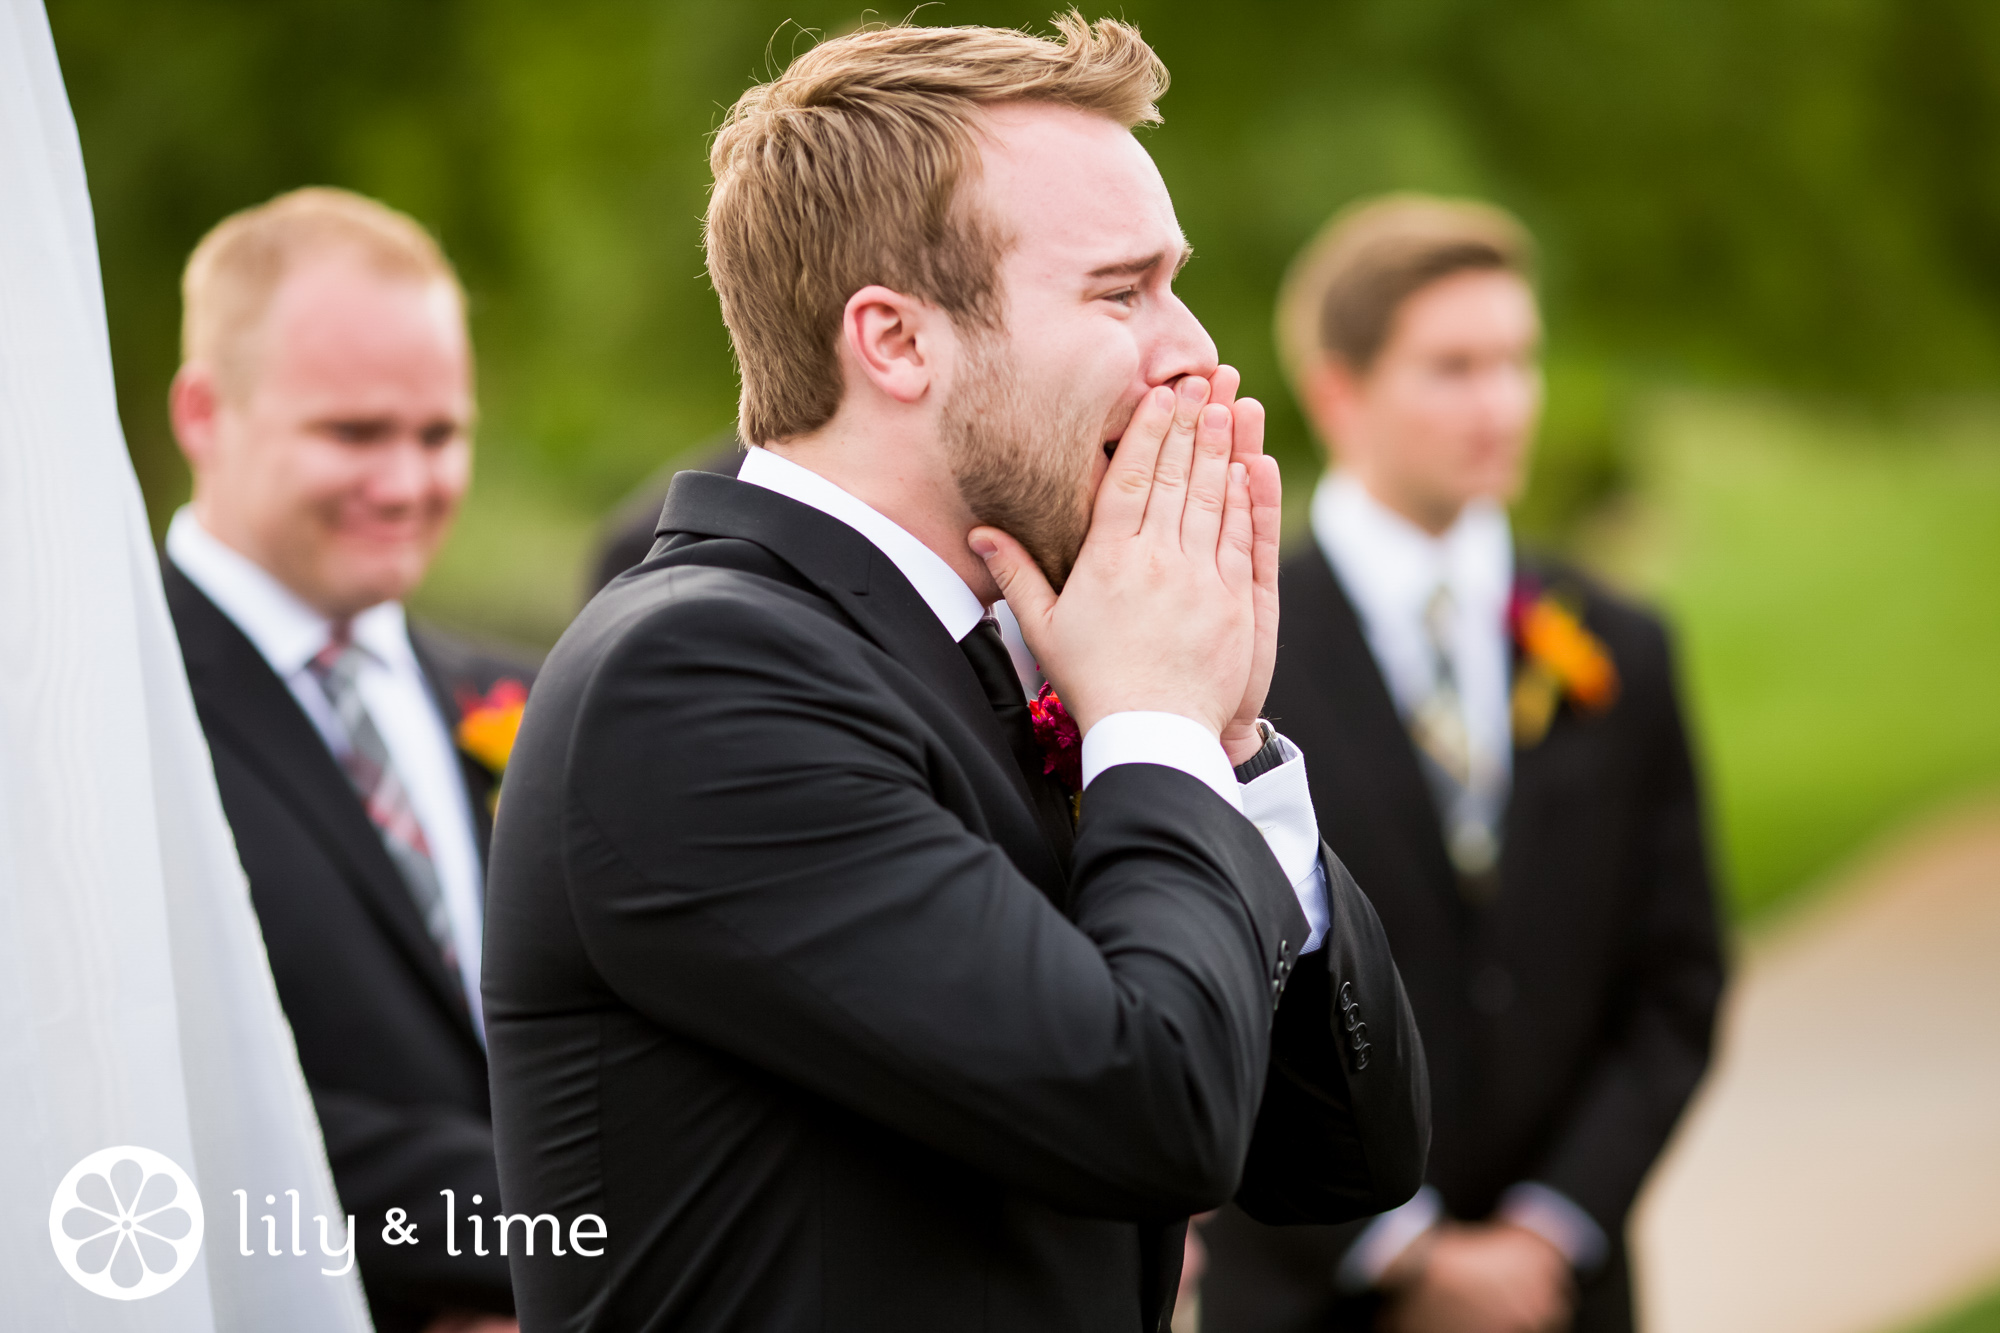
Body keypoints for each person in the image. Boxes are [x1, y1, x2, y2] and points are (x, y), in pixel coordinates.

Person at [483, 17, 1430, 1333]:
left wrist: (1226, 742)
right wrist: (1151, 718)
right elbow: (1150, 1106)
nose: (1193, 353)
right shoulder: (696, 677)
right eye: (1121, 293)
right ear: (897, 342)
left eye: (1175, 285)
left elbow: (1344, 1158)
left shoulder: (1003, 649)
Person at [1198, 196, 1725, 1333]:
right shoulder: (1227, 643)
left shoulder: (1617, 647)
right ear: (1338, 389)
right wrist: (1401, 1248)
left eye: (1517, 361)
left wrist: (1551, 1224)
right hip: (1313, 1294)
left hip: (1563, 1297)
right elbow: (1197, 981)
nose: (1501, 403)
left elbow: (1676, 979)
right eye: (1452, 367)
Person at [160, 187, 526, 1333]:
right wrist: (561, 1244)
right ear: (204, 413)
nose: (408, 484)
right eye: (355, 434)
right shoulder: (107, 715)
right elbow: (183, 1101)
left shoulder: (523, 696)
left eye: (439, 433)